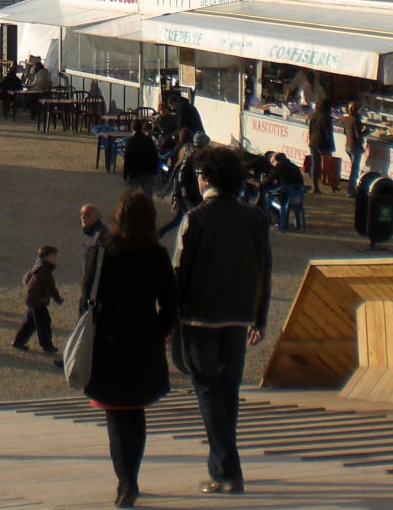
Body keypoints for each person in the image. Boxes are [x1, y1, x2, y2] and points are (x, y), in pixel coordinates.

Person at [175, 145, 273, 496]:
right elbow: (265, 268)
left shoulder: (197, 217)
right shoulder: (256, 218)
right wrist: (259, 317)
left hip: (200, 316)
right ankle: (225, 462)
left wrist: (172, 317)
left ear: (205, 178)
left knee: (207, 390)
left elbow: (180, 271)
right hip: (238, 315)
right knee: (228, 391)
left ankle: (227, 469)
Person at [81, 188, 177, 509]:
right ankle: (131, 477)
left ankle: (126, 482)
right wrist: (159, 330)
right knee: (136, 411)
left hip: (109, 339)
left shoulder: (102, 250)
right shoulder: (156, 254)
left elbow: (86, 301)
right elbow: (171, 304)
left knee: (116, 414)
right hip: (143, 337)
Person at [12, 244, 63, 356]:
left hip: (36, 302)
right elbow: (33, 288)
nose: (55, 258)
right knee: (44, 323)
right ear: (46, 257)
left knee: (31, 323)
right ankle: (47, 346)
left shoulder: (45, 270)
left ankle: (19, 342)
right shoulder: (42, 271)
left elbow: (51, 287)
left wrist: (57, 298)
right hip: (37, 303)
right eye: (53, 256)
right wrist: (35, 302)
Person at [78, 202, 110, 313]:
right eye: (81, 214)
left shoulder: (100, 237)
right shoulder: (92, 234)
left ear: (97, 216)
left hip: (94, 298)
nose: (83, 217)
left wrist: (88, 297)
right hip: (89, 294)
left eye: (87, 214)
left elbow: (95, 270)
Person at [122, 119, 161, 197]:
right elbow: (155, 157)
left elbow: (127, 159)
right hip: (147, 172)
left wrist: (125, 174)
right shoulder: (149, 140)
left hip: (134, 173)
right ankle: (148, 209)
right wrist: (155, 172)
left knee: (132, 197)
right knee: (148, 197)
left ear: (132, 129)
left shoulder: (130, 141)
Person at [307, 98, 336, 194]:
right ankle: (333, 186)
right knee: (329, 165)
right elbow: (329, 133)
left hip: (313, 143)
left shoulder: (314, 115)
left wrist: (311, 140)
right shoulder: (327, 117)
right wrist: (332, 145)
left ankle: (315, 186)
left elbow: (310, 130)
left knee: (315, 165)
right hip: (323, 143)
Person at [342, 101, 368, 196]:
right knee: (355, 169)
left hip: (348, 146)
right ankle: (351, 191)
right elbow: (359, 135)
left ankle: (351, 189)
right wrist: (368, 131)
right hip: (355, 147)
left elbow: (345, 132)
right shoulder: (356, 120)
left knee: (354, 168)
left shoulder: (346, 119)